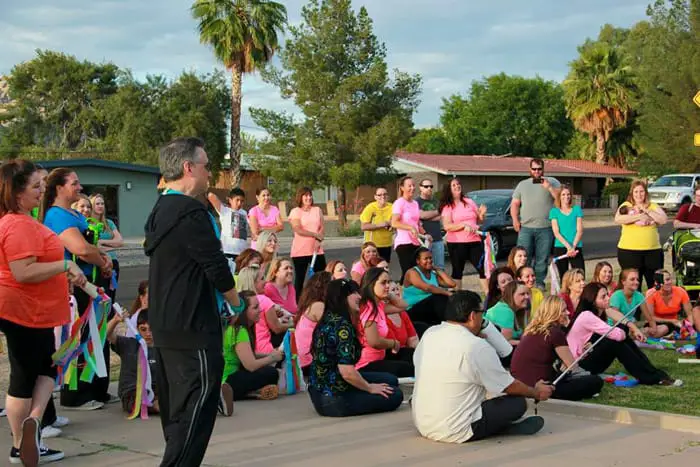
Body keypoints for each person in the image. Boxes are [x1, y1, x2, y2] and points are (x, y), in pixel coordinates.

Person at [144, 137, 243, 467]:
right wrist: (236, 301)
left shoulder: (161, 209)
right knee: (195, 414)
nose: (210, 173)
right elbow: (214, 265)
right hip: (193, 326)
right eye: (206, 165)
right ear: (189, 167)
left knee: (177, 416)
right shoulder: (190, 211)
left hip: (167, 325)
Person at [0, 160, 87, 465]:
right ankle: (19, 442)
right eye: (35, 186)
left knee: (47, 369)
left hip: (34, 310)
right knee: (25, 377)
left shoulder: (23, 221)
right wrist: (65, 265)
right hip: (25, 311)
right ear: (17, 192)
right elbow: (23, 271)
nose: (41, 192)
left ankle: (33, 424)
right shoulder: (17, 224)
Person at [412, 291, 553, 443]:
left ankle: (498, 425)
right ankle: (500, 428)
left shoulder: (430, 333)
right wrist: (536, 393)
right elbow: (509, 386)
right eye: (482, 314)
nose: (483, 319)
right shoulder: (476, 346)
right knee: (518, 402)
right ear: (473, 316)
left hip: (423, 423)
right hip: (456, 430)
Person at [42, 168, 113, 410]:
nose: (80, 187)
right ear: (60, 188)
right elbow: (80, 248)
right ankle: (75, 395)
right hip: (75, 287)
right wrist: (101, 259)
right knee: (78, 340)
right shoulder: (57, 216)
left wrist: (104, 257)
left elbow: (91, 245)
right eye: (74, 183)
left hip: (91, 285)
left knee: (95, 337)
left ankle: (97, 389)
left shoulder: (73, 214)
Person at [308, 279, 403, 417]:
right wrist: (369, 388)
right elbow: (347, 372)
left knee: (390, 380)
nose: (359, 296)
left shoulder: (327, 319)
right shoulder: (343, 327)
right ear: (341, 297)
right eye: (353, 293)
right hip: (334, 398)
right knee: (395, 394)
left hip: (320, 390)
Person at [567, 283, 681, 386]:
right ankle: (649, 376)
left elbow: (614, 315)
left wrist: (631, 327)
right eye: (603, 297)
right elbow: (618, 335)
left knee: (620, 330)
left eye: (607, 294)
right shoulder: (587, 316)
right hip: (579, 367)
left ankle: (651, 371)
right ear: (592, 300)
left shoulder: (597, 312)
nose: (608, 298)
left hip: (587, 358)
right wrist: (627, 331)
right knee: (615, 340)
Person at [511, 297, 603, 401]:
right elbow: (572, 366)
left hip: (520, 384)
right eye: (563, 310)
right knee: (595, 381)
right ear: (554, 313)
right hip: (541, 387)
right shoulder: (555, 333)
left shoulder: (531, 330)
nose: (568, 313)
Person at [220, 291, 282, 414]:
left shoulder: (238, 328)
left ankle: (254, 392)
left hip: (231, 375)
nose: (260, 310)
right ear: (244, 311)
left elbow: (248, 354)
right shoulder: (239, 331)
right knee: (272, 373)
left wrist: (270, 355)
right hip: (230, 380)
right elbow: (250, 365)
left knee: (270, 371)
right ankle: (246, 393)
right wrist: (272, 358)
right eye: (255, 307)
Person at [511, 158, 561, 289]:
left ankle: (538, 282)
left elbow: (561, 199)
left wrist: (549, 187)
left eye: (539, 169)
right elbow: (515, 204)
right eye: (534, 169)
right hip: (526, 227)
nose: (537, 171)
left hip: (546, 228)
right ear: (530, 170)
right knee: (522, 258)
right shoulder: (523, 184)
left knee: (541, 258)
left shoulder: (552, 182)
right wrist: (515, 220)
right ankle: (521, 282)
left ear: (543, 169)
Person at [356, 268, 414, 377]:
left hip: (380, 356)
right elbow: (374, 341)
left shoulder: (379, 305)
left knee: (412, 354)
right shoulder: (368, 308)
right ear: (371, 284)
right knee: (408, 368)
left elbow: (403, 306)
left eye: (388, 282)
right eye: (383, 283)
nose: (387, 286)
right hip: (366, 364)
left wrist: (388, 294)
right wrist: (393, 343)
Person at [614, 180, 667, 290]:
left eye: (641, 191)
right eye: (636, 191)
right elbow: (618, 219)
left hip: (652, 252)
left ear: (646, 192)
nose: (639, 194)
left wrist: (646, 210)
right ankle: (635, 307)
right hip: (629, 252)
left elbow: (663, 220)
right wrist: (638, 217)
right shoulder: (627, 206)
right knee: (632, 286)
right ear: (632, 193)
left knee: (655, 285)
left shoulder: (652, 206)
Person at [107, 309, 159, 415]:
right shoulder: (129, 345)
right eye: (143, 329)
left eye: (151, 329)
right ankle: (156, 406)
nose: (148, 334)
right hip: (132, 391)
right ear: (137, 330)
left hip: (156, 390)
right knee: (139, 402)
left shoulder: (162, 349)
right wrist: (115, 320)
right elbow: (107, 335)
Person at [439, 178, 487, 293]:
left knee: (483, 269)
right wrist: (462, 225)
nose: (457, 186)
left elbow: (479, 222)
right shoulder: (448, 207)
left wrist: (482, 215)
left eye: (458, 184)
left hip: (474, 240)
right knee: (457, 271)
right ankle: (458, 298)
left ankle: (489, 296)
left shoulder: (469, 201)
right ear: (449, 189)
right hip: (456, 243)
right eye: (453, 185)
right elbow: (447, 226)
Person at [235, 265, 291, 354]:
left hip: (245, 352)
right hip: (266, 352)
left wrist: (279, 319)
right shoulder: (262, 299)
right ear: (252, 282)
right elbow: (277, 328)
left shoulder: (237, 302)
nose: (266, 281)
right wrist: (294, 324)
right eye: (262, 279)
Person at [402, 247, 456, 326]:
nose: (429, 260)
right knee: (438, 297)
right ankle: (449, 324)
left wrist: (437, 269)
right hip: (413, 309)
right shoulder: (411, 272)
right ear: (418, 261)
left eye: (430, 258)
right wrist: (446, 293)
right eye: (426, 259)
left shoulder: (432, 274)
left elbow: (452, 284)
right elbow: (427, 288)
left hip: (429, 309)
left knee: (454, 294)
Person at [288, 187, 326, 295]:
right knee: (300, 279)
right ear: (300, 197)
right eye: (305, 195)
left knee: (322, 278)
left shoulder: (317, 210)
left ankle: (321, 300)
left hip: (316, 250)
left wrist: (318, 240)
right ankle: (297, 305)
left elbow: (322, 228)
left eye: (310, 195)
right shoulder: (295, 211)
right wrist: (315, 235)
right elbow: (298, 229)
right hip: (300, 251)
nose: (308, 198)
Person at [294, 272, 332, 375]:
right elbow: (336, 328)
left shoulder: (311, 304)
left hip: (306, 360)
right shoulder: (318, 306)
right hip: (310, 361)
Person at [392, 176, 428, 283]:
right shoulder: (399, 203)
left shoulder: (415, 203)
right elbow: (394, 222)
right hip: (404, 243)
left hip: (416, 242)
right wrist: (409, 227)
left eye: (413, 185)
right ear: (402, 188)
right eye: (409, 186)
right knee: (408, 271)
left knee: (417, 271)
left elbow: (417, 223)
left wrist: (425, 234)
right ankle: (401, 293)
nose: (412, 188)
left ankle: (411, 294)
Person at [646, 269, 699, 337]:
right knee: (662, 329)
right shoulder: (651, 293)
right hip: (657, 323)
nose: (667, 282)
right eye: (663, 280)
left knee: (695, 322)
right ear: (656, 283)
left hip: (675, 324)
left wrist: (690, 325)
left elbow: (690, 313)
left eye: (668, 279)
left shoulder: (680, 291)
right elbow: (650, 317)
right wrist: (672, 320)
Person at [90, 193, 123, 301]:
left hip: (113, 263)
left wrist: (101, 242)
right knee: (101, 297)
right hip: (99, 263)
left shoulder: (109, 223)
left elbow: (119, 241)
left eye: (102, 204)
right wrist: (110, 245)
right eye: (97, 204)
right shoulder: (88, 223)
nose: (100, 206)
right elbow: (92, 247)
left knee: (111, 296)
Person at [207, 187, 250, 264]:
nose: (239, 203)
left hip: (242, 252)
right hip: (228, 251)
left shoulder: (244, 213)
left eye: (242, 201)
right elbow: (210, 195)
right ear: (230, 200)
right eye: (237, 200)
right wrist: (224, 204)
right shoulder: (225, 211)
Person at [549, 185, 584, 277]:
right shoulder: (554, 211)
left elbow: (579, 230)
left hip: (575, 247)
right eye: (563, 194)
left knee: (579, 274)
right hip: (560, 246)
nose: (566, 197)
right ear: (559, 197)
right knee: (563, 276)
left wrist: (573, 247)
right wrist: (568, 247)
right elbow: (556, 232)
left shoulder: (576, 209)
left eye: (568, 194)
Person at [485, 281, 531, 346]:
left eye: (527, 293)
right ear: (511, 295)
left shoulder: (519, 310)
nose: (527, 297)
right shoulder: (505, 311)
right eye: (522, 294)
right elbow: (505, 342)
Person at [359, 187, 394, 263]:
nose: (383, 197)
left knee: (384, 268)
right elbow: (363, 226)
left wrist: (391, 225)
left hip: (386, 244)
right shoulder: (370, 207)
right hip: (372, 245)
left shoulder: (392, 207)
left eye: (385, 194)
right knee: (371, 269)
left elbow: (395, 222)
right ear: (375, 197)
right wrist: (380, 225)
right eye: (379, 195)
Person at [417, 178, 445, 270]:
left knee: (439, 267)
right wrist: (437, 212)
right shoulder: (416, 202)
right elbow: (422, 215)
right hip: (423, 240)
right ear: (420, 188)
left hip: (437, 238)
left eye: (431, 186)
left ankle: (438, 284)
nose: (429, 188)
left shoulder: (436, 201)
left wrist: (427, 216)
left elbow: (442, 216)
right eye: (426, 186)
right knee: (424, 267)